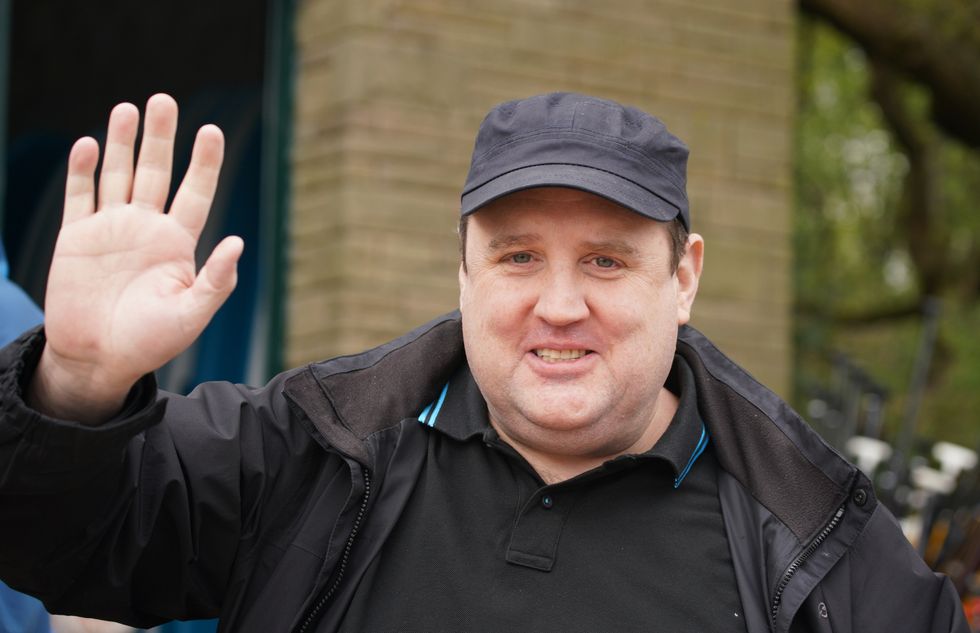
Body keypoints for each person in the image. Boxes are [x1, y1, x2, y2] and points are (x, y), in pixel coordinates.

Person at [0, 92, 968, 633]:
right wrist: (79, 380)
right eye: (515, 256)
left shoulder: (820, 545)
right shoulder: (306, 451)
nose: (557, 304)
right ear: (460, 270)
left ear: (683, 277)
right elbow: (65, 544)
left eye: (605, 260)